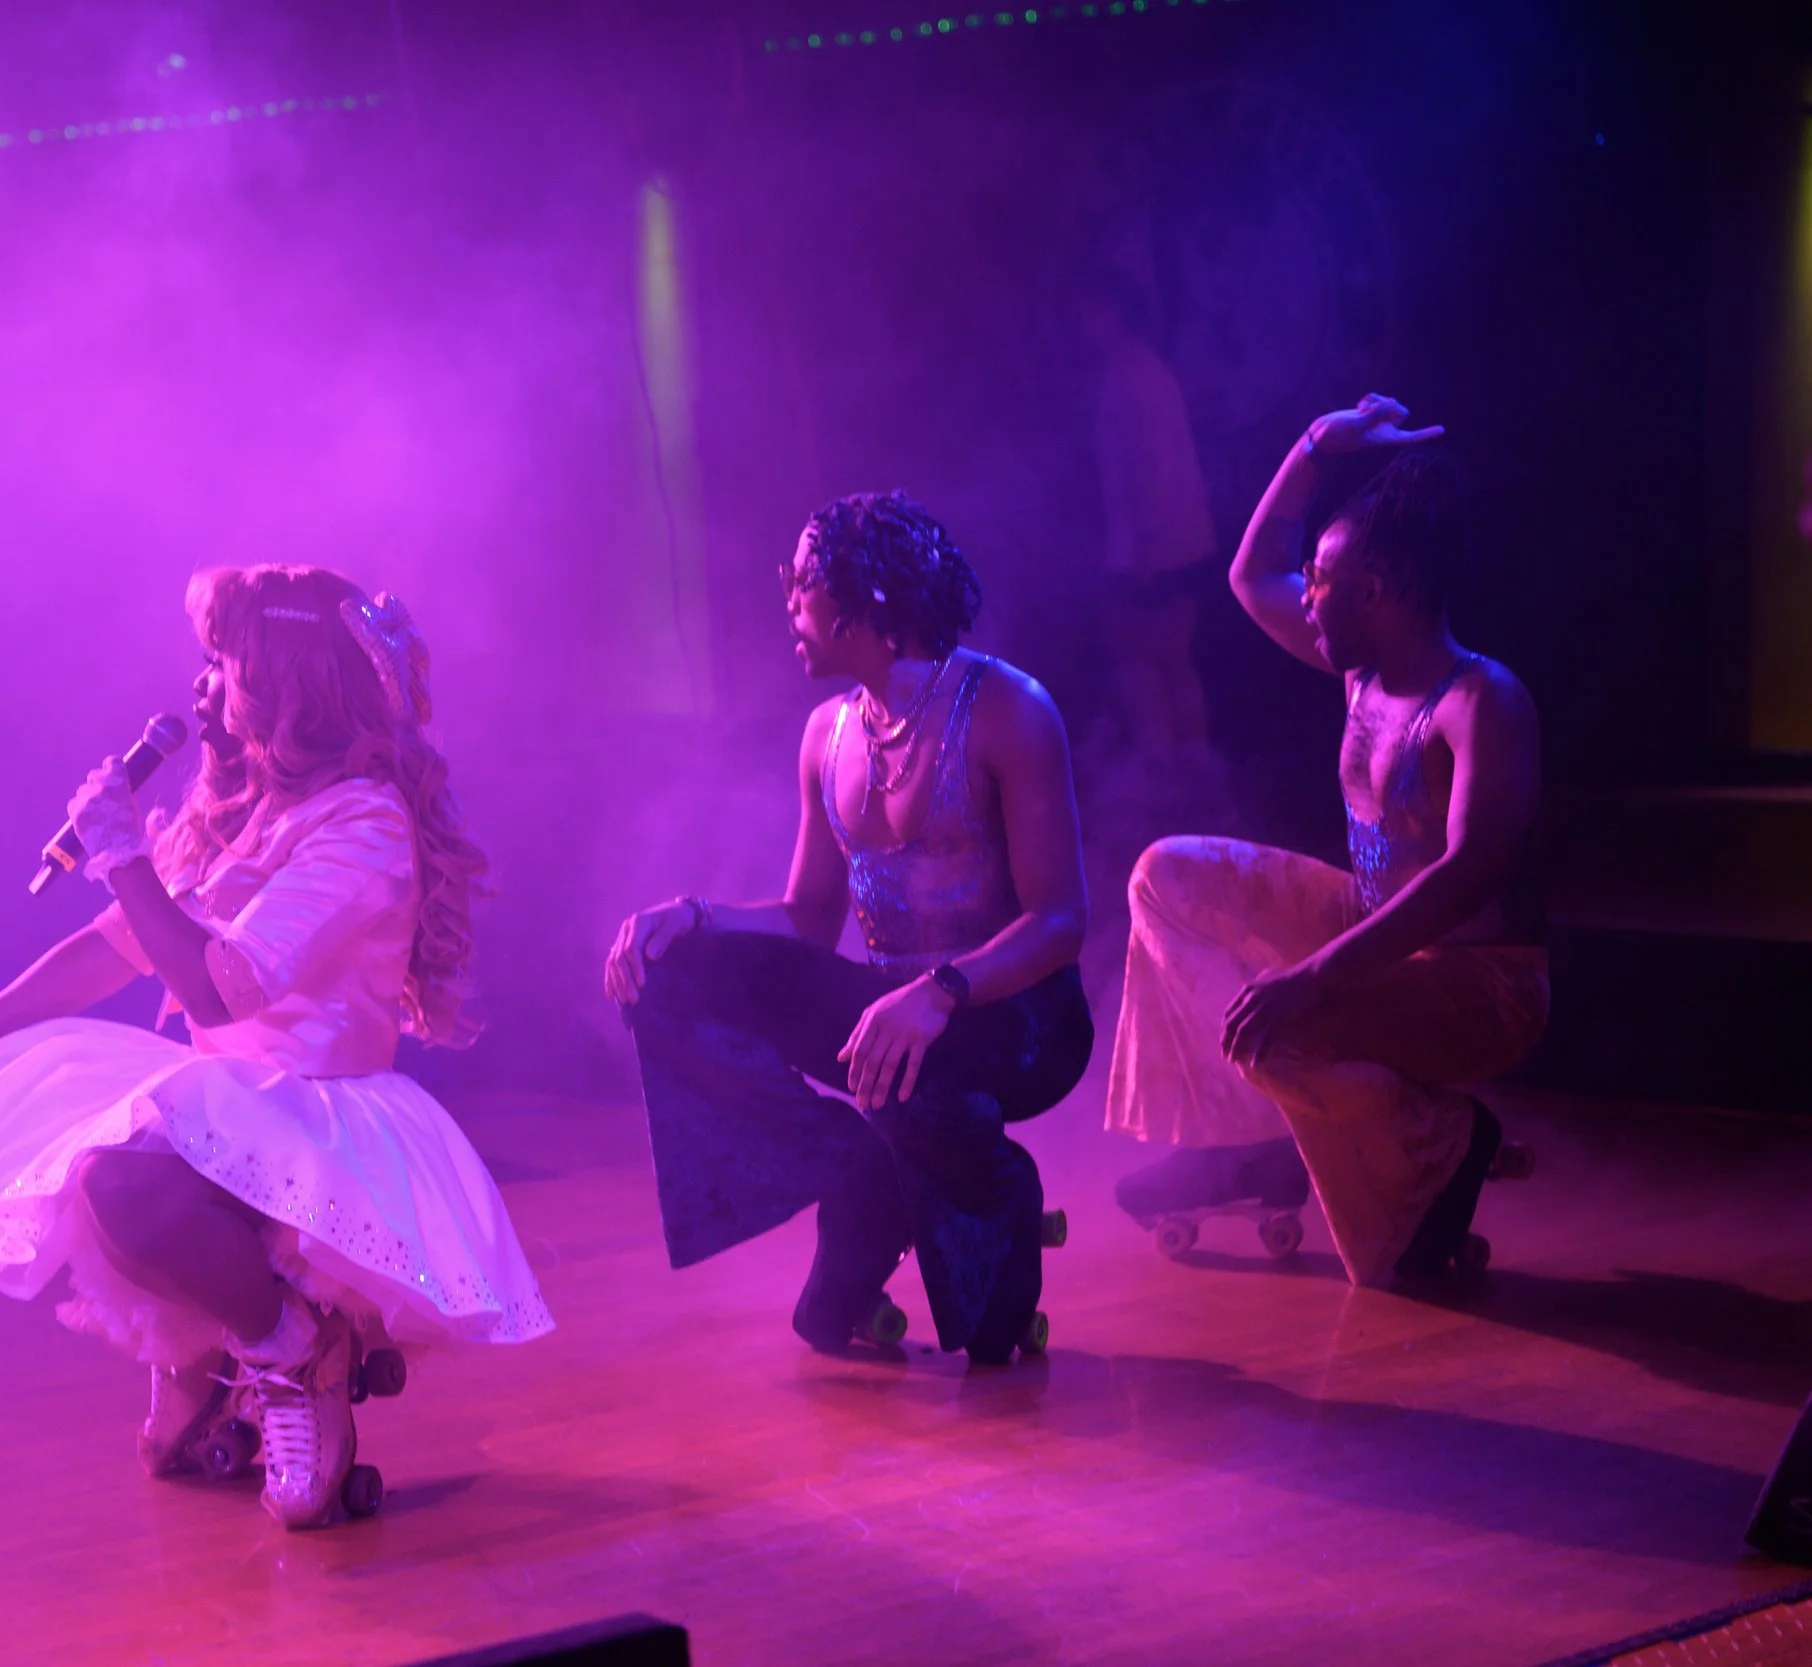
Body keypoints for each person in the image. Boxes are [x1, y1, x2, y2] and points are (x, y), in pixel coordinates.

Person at [0, 566, 551, 1530]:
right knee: (165, 1443)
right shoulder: (235, 808)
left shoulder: (361, 823)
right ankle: (221, 1366)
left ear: (288, 690)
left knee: (122, 1177)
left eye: (223, 666)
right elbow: (107, 952)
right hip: (228, 1102)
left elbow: (218, 983)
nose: (199, 689)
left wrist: (121, 858)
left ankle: (295, 1351)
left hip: (321, 1116)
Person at [606, 493, 1092, 1366]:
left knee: (984, 1335)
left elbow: (1060, 922)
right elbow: (807, 920)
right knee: (674, 973)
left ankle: (993, 1182)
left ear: (863, 597)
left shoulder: (1008, 709)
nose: (786, 602)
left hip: (1017, 1016)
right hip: (892, 1018)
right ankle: (856, 1162)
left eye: (800, 583)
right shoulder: (826, 733)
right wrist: (691, 917)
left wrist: (941, 993)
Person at [1104, 395, 1548, 1285]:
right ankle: (1246, 1143)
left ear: (1376, 593)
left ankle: (1448, 1141)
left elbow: (1468, 874)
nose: (1303, 596)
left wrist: (1313, 976)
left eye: (1320, 579)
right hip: (1372, 927)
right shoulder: (1358, 673)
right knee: (1163, 879)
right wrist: (1316, 445)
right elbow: (1245, 573)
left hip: (1478, 982)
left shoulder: (1480, 701)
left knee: (1285, 1047)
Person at [1070, 269, 1219, 765]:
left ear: (1111, 310)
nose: (1081, 323)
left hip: (1148, 548)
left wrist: (1143, 548)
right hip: (1180, 542)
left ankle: (1162, 776)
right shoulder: (1147, 367)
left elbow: (1144, 463)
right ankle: (1195, 774)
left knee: (1139, 664)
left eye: (1089, 310)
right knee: (1175, 663)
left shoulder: (1128, 375)